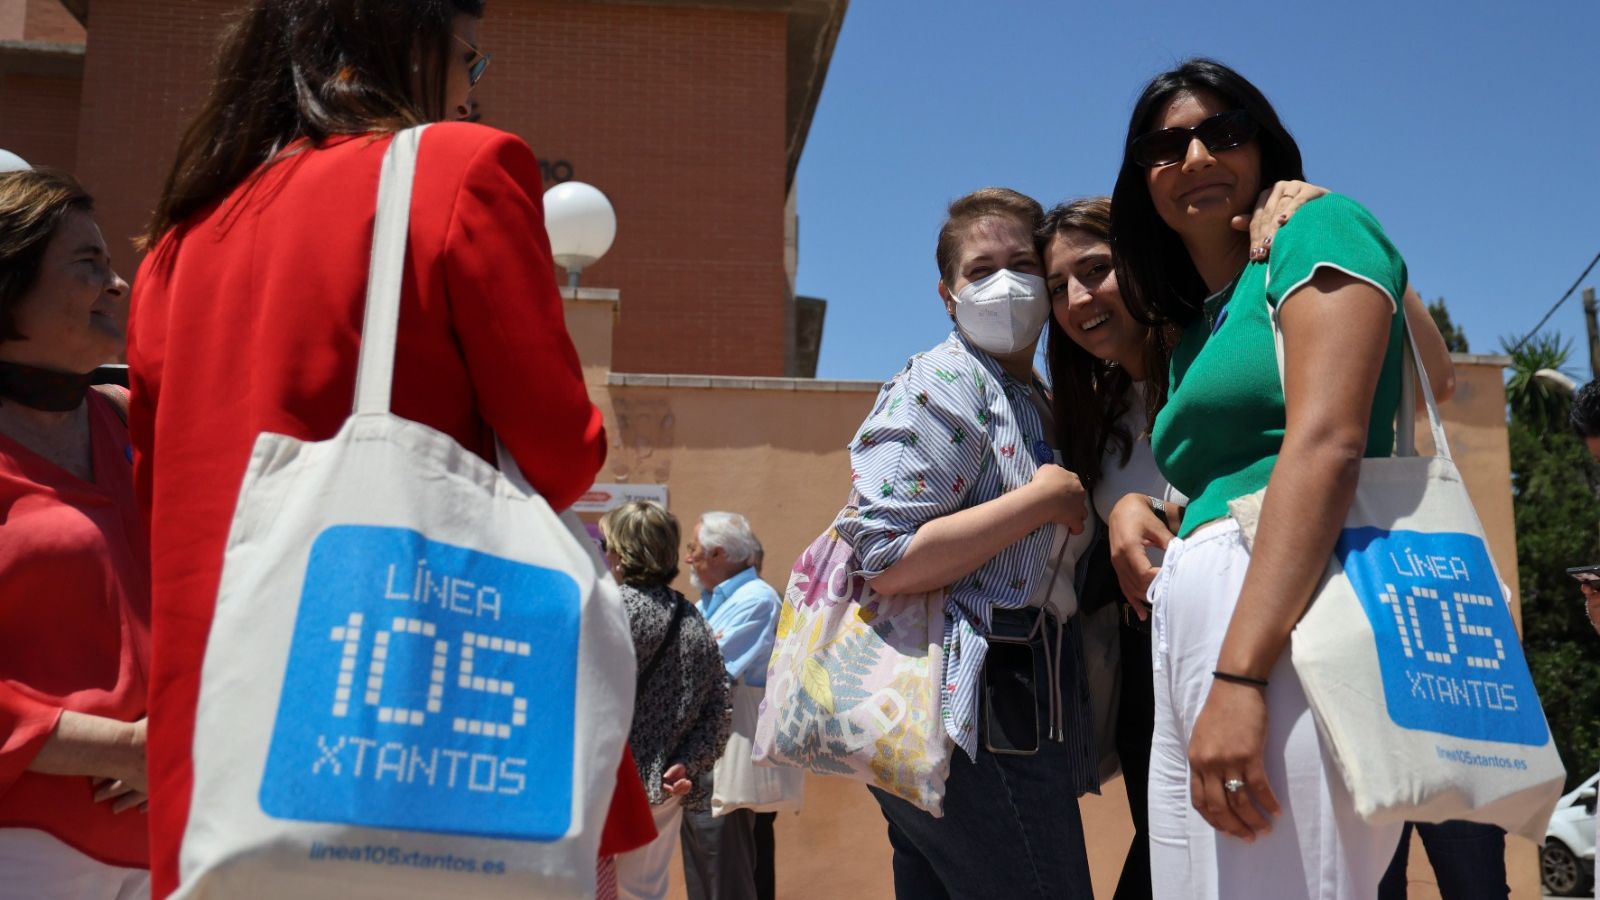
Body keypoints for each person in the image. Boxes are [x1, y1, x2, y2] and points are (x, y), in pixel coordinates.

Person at [125, 1, 653, 895]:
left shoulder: (176, 246)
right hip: (406, 736)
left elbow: (160, 502)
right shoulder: (456, 171)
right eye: (467, 62)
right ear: (404, 45)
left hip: (219, 747)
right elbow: (564, 453)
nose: (469, 94)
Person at [1102, 57, 1426, 899]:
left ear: (1266, 147)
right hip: (1196, 623)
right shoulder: (1194, 327)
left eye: (1225, 132)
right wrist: (1137, 506)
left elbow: (1325, 444)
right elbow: (1217, 470)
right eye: (1166, 146)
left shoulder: (1318, 228)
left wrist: (1242, 675)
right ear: (1144, 180)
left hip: (1280, 615)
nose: (1198, 157)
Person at [830, 186, 1102, 899]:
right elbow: (884, 556)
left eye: (1020, 264)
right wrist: (1038, 501)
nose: (1004, 283)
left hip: (1004, 702)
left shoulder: (1028, 393)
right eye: (980, 270)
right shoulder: (944, 382)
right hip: (975, 708)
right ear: (948, 295)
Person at [0, 168, 149, 897]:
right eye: (89, 264)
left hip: (163, 844)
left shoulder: (128, 419)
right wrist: (125, 748)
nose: (116, 285)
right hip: (22, 849)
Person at [601, 501, 732, 900]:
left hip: (602, 778)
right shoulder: (692, 619)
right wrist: (686, 763)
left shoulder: (604, 608)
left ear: (622, 552)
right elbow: (718, 711)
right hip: (661, 784)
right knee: (644, 892)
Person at [680, 511, 793, 900]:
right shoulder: (708, 602)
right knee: (714, 874)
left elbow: (706, 671)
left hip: (733, 758)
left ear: (718, 553)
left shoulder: (757, 599)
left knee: (731, 877)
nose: (687, 558)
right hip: (712, 756)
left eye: (693, 548)